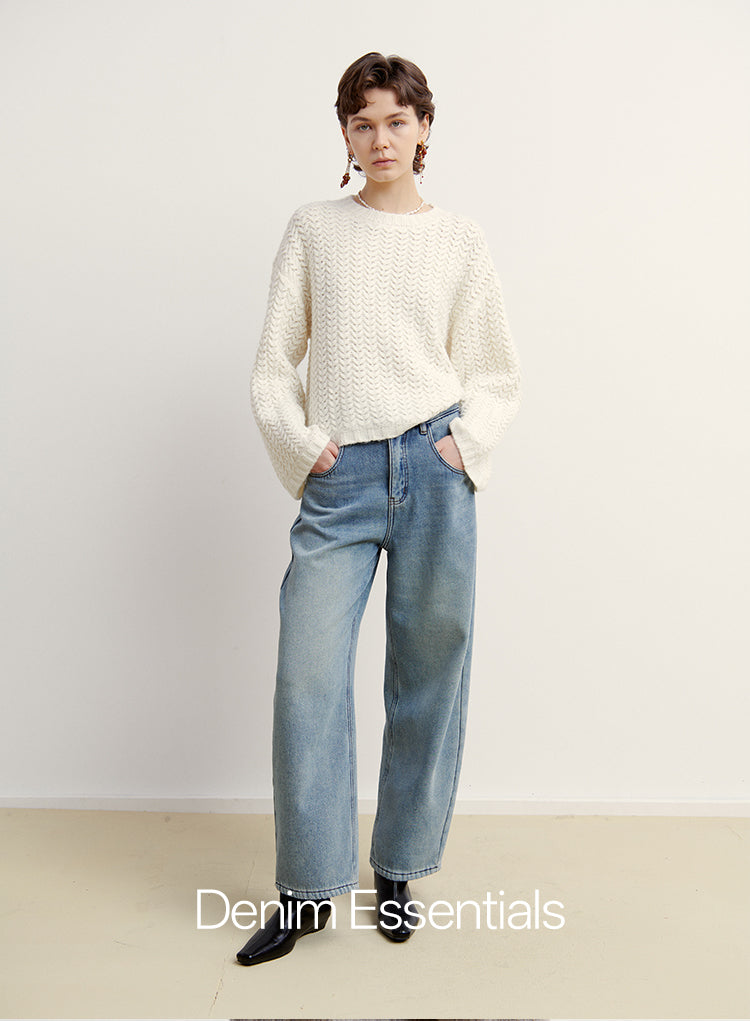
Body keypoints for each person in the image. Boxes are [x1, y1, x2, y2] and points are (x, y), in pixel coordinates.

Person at [237, 51, 522, 966]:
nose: (381, 138)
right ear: (345, 135)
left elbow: (494, 371)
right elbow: (273, 362)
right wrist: (303, 445)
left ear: (424, 128)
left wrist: (464, 446)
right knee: (307, 676)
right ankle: (306, 887)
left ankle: (397, 867)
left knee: (430, 669)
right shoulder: (314, 229)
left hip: (435, 469)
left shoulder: (460, 239)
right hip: (342, 474)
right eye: (363, 123)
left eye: (397, 120)